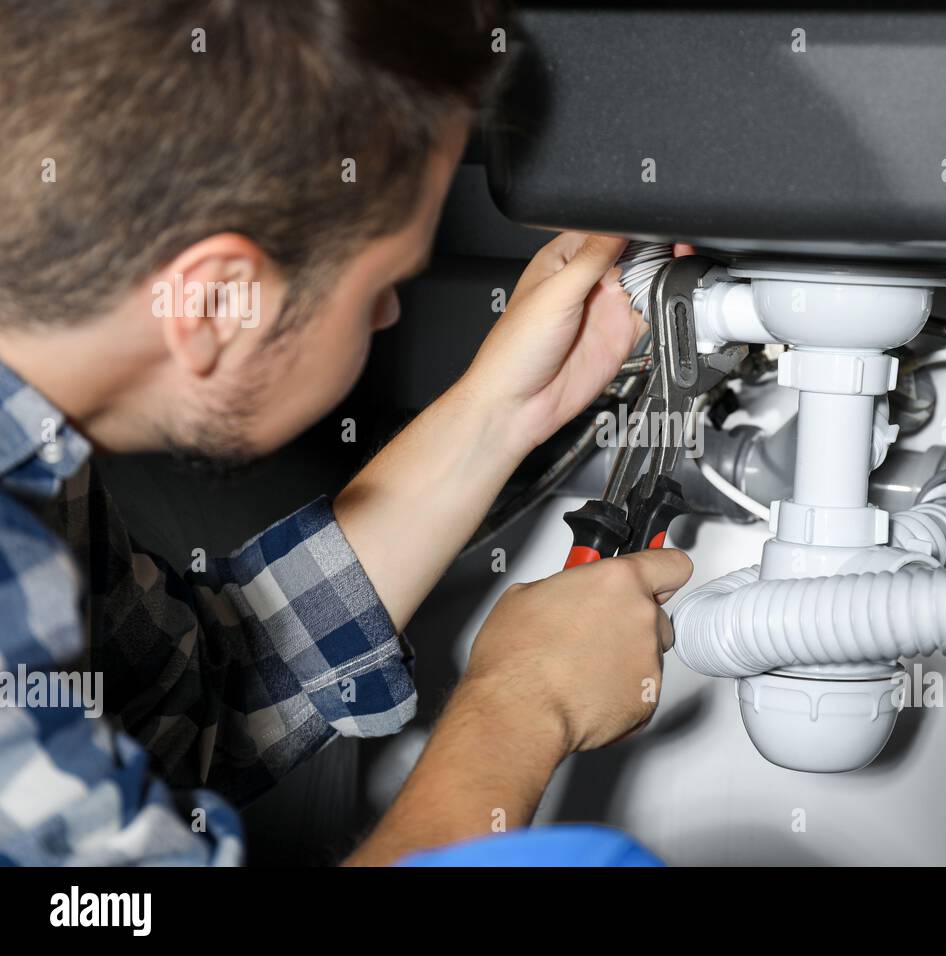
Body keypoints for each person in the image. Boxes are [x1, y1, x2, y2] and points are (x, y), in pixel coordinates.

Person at [0, 0, 691, 866]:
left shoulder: (33, 448)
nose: (394, 310)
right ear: (219, 302)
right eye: (382, 285)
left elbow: (181, 709)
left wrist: (503, 411)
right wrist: (521, 704)